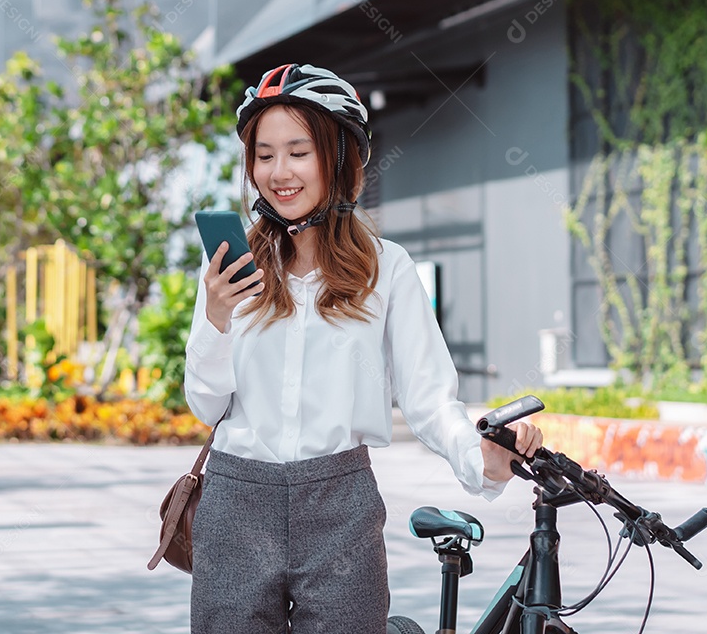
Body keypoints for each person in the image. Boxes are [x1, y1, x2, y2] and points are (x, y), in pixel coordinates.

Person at [184, 63, 542, 634]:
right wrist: (217, 317)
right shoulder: (229, 266)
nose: (279, 172)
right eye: (264, 154)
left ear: (340, 159)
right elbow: (205, 405)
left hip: (341, 507)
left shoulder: (386, 268)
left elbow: (428, 398)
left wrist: (481, 459)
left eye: (299, 152)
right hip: (236, 505)